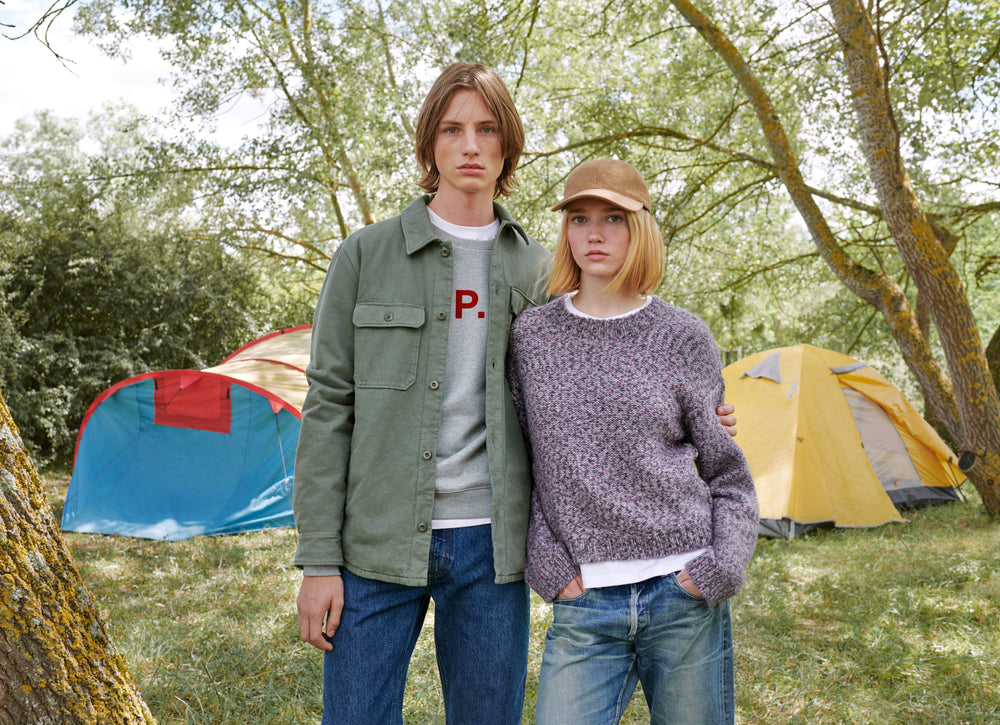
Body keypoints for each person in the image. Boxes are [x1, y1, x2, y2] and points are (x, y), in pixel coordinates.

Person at [293, 64, 739, 723]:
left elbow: (606, 368)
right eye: (452, 129)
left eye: (487, 129)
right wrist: (318, 560)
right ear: (429, 143)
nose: (470, 146)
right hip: (374, 540)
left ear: (508, 145)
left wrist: (697, 412)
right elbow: (329, 405)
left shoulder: (541, 271)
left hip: (493, 550)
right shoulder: (365, 255)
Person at [507, 158, 759, 725]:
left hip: (684, 592)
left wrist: (722, 565)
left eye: (613, 218)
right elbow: (520, 463)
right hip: (585, 601)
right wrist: (547, 563)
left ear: (640, 227)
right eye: (579, 218)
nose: (593, 233)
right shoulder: (532, 337)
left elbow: (726, 472)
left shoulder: (683, 335)